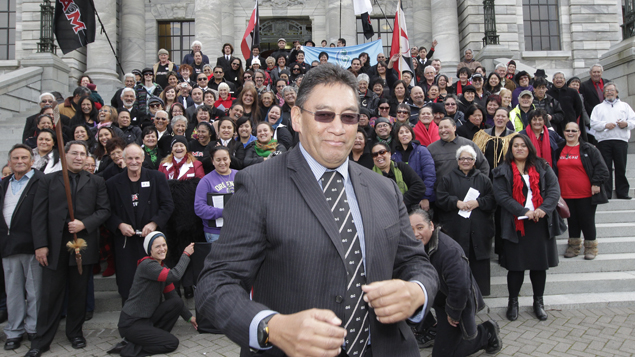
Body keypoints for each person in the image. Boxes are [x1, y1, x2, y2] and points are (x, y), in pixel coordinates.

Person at [195, 63, 438, 357]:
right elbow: (216, 284)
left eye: (349, 117)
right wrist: (272, 328)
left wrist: (417, 292)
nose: (338, 128)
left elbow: (417, 263)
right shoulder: (257, 185)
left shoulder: (384, 188)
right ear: (297, 118)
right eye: (324, 115)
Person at [26, 141, 110, 357]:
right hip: (54, 247)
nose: (79, 157)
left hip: (82, 245)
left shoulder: (97, 181)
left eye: (83, 154)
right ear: (65, 155)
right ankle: (42, 340)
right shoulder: (48, 180)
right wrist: (41, 245)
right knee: (50, 295)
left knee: (79, 293)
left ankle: (75, 333)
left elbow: (104, 211)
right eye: (74, 153)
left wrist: (85, 224)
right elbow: (38, 215)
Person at [408, 209, 502, 357]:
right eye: (411, 229)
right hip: (439, 300)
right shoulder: (416, 247)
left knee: (443, 354)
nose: (415, 234)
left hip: (455, 302)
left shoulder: (449, 251)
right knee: (445, 345)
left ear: (431, 226)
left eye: (420, 228)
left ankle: (486, 333)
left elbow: (460, 288)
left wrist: (454, 312)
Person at [492, 134, 564, 322]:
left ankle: (538, 303)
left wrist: (543, 209)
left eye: (523, 145)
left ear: (529, 147)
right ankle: (513, 303)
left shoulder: (543, 166)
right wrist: (524, 210)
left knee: (539, 267)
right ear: (511, 149)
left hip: (540, 224)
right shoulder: (502, 170)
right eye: (516, 145)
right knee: (515, 267)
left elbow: (555, 190)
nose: (519, 148)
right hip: (516, 224)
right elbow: (501, 197)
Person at [107, 232, 197, 356]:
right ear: (150, 250)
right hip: (131, 324)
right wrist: (186, 255)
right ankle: (128, 349)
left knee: (176, 302)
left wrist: (189, 318)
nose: (162, 249)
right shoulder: (147, 265)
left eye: (164, 245)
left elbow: (173, 296)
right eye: (157, 247)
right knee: (171, 343)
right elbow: (175, 275)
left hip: (147, 319)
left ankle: (143, 340)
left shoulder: (161, 267)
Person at [105, 144, 174, 303]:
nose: (134, 161)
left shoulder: (157, 178)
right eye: (130, 158)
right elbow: (107, 211)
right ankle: (131, 320)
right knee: (128, 283)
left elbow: (167, 205)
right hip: (126, 243)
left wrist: (154, 223)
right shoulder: (112, 183)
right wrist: (119, 225)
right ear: (123, 160)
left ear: (143, 158)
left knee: (155, 281)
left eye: (137, 158)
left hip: (151, 241)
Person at [0, 144, 45, 351]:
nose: (19, 161)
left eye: (24, 158)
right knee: (13, 291)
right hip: (8, 246)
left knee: (34, 290)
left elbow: (43, 216)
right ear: (9, 162)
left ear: (31, 161)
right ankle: (14, 331)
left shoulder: (41, 182)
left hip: (32, 246)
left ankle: (34, 328)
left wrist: (42, 244)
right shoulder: (3, 184)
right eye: (16, 158)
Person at [435, 145, 496, 296]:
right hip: (456, 228)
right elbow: (440, 199)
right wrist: (456, 202)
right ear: (457, 161)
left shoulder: (484, 179)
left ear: (475, 161)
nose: (466, 161)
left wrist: (479, 203)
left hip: (479, 229)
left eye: (469, 158)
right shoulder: (447, 179)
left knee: (478, 263)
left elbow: (493, 200)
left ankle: (479, 294)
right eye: (462, 158)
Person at [556, 122, 609, 260]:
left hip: (585, 194)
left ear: (579, 133)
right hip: (566, 193)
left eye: (574, 130)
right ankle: (573, 247)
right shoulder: (559, 149)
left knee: (587, 221)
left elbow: (602, 169)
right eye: (568, 130)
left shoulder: (589, 149)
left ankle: (591, 248)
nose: (570, 133)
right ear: (564, 132)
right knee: (572, 221)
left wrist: (596, 183)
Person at [590, 83, 635, 199]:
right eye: (607, 91)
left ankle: (623, 192)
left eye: (612, 90)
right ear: (604, 94)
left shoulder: (625, 106)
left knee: (621, 167)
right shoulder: (598, 108)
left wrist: (626, 124)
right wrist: (605, 125)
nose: (609, 93)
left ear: (617, 93)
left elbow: (633, 121)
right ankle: (607, 193)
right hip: (604, 141)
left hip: (621, 140)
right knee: (606, 168)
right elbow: (593, 123)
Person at [428, 117, 490, 188]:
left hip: (466, 190)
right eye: (440, 128)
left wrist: (480, 184)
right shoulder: (431, 148)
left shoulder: (468, 144)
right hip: (441, 192)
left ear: (454, 128)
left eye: (446, 127)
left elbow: (483, 165)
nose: (443, 130)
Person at [194, 147, 237, 243]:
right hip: (216, 233)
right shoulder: (205, 181)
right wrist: (224, 212)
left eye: (225, 159)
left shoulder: (239, 176)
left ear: (230, 158)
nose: (222, 163)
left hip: (238, 229)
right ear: (212, 161)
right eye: (218, 160)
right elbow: (199, 208)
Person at [392, 123, 437, 211]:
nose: (404, 134)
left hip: (420, 199)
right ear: (397, 136)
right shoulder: (394, 156)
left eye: (407, 132)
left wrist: (426, 197)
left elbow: (430, 175)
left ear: (412, 135)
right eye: (401, 132)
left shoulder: (422, 150)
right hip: (403, 201)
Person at [371, 142, 426, 212]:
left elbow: (419, 186)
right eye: (375, 154)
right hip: (384, 213)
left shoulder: (401, 167)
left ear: (389, 154)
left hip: (407, 211)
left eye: (382, 152)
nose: (379, 156)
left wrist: (402, 201)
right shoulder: (370, 175)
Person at [547, 72, 586, 140]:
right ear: (553, 80)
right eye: (557, 78)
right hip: (554, 123)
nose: (559, 80)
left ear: (564, 80)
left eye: (561, 78)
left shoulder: (572, 92)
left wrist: (571, 117)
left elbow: (578, 107)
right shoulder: (548, 93)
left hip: (569, 122)